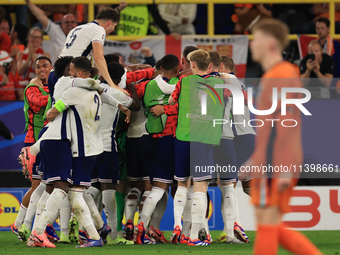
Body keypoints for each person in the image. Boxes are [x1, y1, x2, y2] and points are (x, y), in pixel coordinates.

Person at [246, 18, 323, 255]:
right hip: (268, 161)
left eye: (256, 38)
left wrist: (285, 167)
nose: (252, 44)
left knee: (267, 221)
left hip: (276, 162)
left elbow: (287, 124)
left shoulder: (281, 74)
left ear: (269, 43)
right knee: (267, 222)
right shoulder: (274, 75)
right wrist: (255, 159)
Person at [26, 57, 110, 248]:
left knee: (69, 193)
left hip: (78, 148)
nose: (71, 73)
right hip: (94, 146)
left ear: (78, 73)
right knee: (73, 193)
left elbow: (51, 113)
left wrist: (52, 112)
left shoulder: (72, 90)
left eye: (73, 70)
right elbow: (109, 97)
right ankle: (98, 230)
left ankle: (39, 232)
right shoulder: (95, 91)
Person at [169, 50, 225, 246]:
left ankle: (178, 226)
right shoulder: (219, 83)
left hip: (183, 137)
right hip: (204, 140)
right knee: (201, 187)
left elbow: (170, 102)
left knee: (182, 184)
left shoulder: (183, 83)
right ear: (209, 65)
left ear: (191, 64)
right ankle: (193, 236)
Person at [133, 54, 180, 245]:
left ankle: (149, 228)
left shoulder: (148, 85)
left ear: (160, 68)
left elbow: (136, 95)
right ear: (177, 69)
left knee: (159, 186)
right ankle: (189, 231)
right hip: (173, 139)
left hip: (150, 138)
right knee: (178, 187)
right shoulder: (181, 84)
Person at [11, 56, 52, 242]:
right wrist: (59, 93)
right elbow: (41, 102)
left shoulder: (49, 85)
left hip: (48, 141)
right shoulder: (32, 87)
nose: (41, 69)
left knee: (47, 186)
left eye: (45, 66)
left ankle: (34, 226)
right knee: (38, 186)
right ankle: (21, 225)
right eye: (38, 66)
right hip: (33, 142)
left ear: (51, 68)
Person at [58, 7, 128, 96]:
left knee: (54, 108)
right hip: (70, 76)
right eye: (114, 26)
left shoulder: (77, 28)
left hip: (56, 73)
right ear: (109, 23)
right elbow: (99, 58)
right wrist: (112, 85)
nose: (113, 30)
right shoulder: (99, 30)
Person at [25, 0, 78, 64]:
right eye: (66, 22)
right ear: (61, 24)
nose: (69, 24)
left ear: (76, 24)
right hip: (57, 72)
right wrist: (28, 2)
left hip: (74, 72)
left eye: (72, 22)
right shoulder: (56, 31)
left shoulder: (82, 35)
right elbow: (41, 16)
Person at [17, 27, 50, 98]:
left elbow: (41, 69)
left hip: (39, 87)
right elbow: (20, 72)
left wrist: (32, 53)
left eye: (37, 37)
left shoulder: (46, 55)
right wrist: (29, 57)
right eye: (33, 37)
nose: (35, 39)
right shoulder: (21, 54)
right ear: (28, 38)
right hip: (23, 88)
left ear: (41, 40)